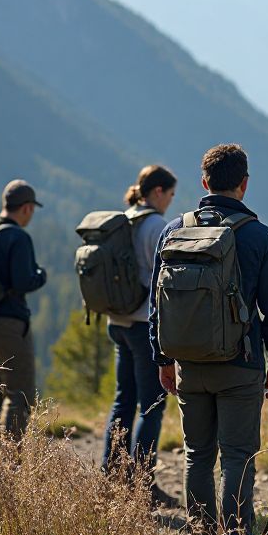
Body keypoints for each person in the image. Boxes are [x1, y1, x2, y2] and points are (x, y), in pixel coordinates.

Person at [149, 144, 268, 535]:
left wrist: (162, 357)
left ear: (204, 182)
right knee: (237, 455)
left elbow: (156, 304)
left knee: (197, 455)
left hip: (187, 363)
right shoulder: (259, 236)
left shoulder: (174, 230)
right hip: (241, 363)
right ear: (244, 184)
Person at [102, 165, 177, 505]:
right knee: (152, 405)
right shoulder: (156, 226)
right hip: (143, 325)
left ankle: (111, 476)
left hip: (116, 322)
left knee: (123, 401)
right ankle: (142, 486)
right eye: (171, 195)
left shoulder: (124, 219)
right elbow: (165, 281)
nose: (170, 202)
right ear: (158, 191)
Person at [0, 179, 47, 438]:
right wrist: (41, 275)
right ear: (26, 208)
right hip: (9, 325)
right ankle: (9, 463)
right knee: (19, 393)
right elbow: (23, 281)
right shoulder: (17, 237)